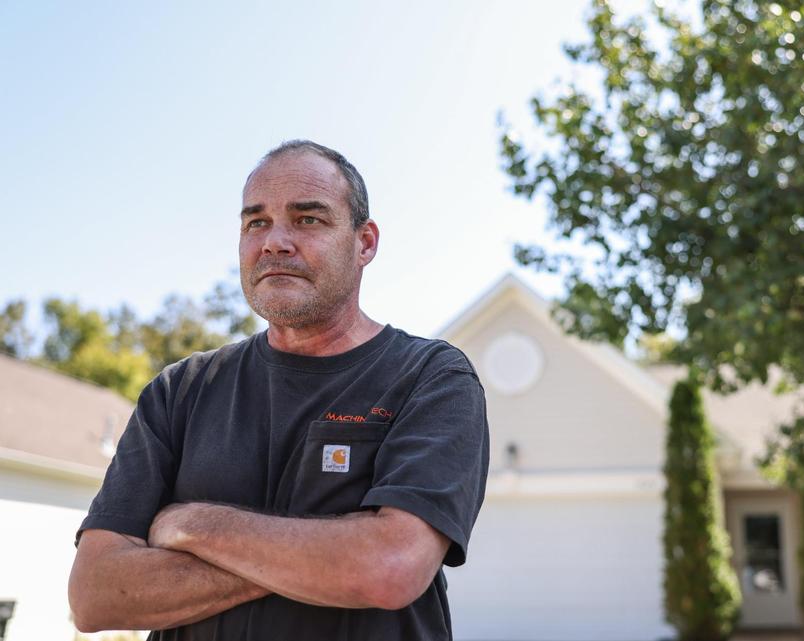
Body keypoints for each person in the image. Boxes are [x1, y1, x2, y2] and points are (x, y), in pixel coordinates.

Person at [67, 140, 490, 640]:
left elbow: (389, 568)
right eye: (256, 222)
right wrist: (323, 560)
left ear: (365, 242)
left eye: (308, 219)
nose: (274, 242)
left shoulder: (430, 377)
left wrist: (194, 526)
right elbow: (95, 595)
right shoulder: (180, 391)